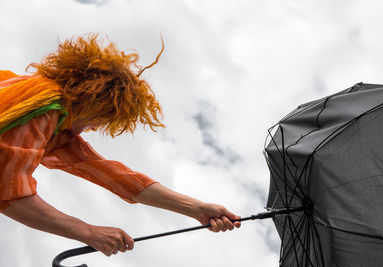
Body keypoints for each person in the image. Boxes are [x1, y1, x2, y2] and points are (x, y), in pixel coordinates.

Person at [0, 34, 241, 257]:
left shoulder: (40, 104)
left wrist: (196, 208)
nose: (93, 129)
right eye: (101, 120)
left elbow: (112, 174)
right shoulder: (42, 109)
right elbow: (9, 192)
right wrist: (88, 232)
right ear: (96, 103)